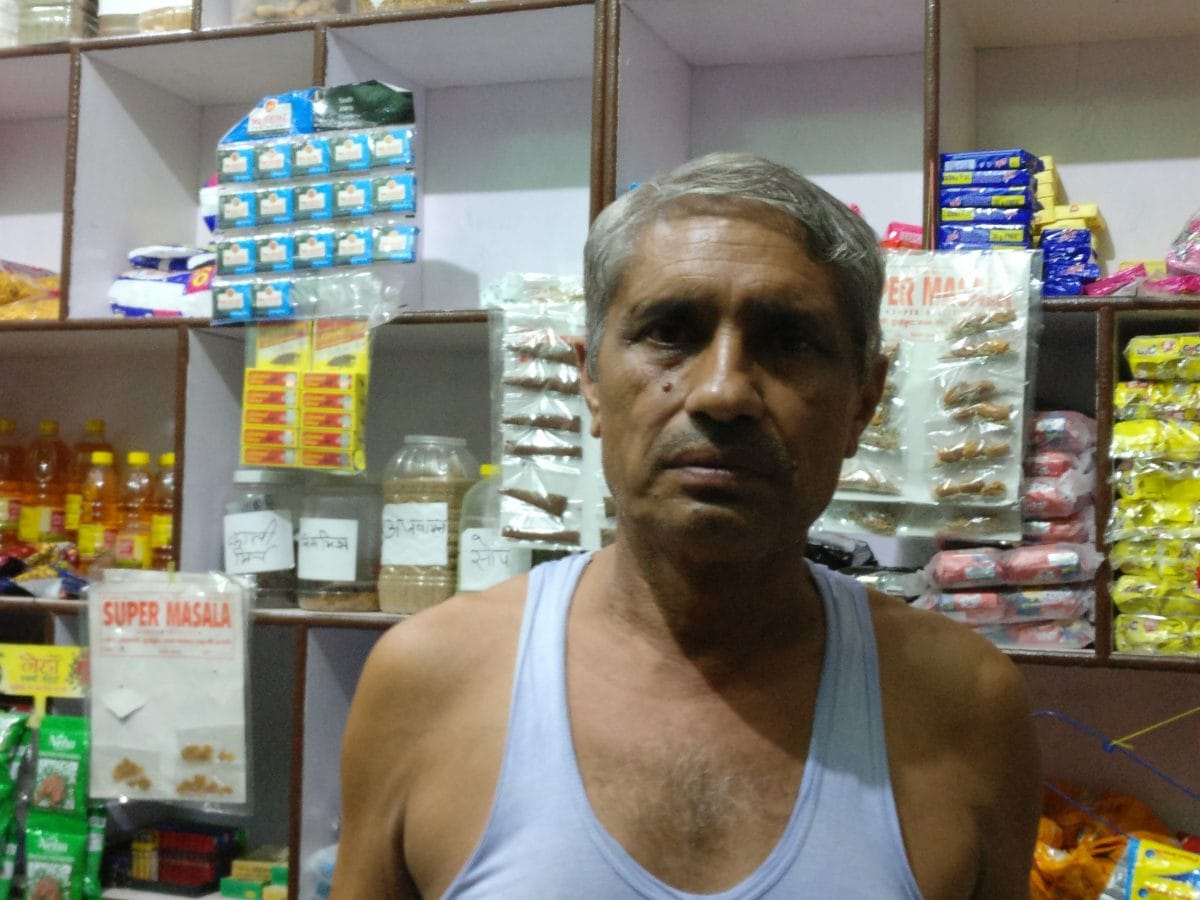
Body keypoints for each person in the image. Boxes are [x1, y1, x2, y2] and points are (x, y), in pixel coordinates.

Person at [332, 152, 1041, 899]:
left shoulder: (966, 704)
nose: (722, 391)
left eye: (789, 341)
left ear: (864, 400)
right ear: (590, 380)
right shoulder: (428, 680)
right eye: (670, 331)